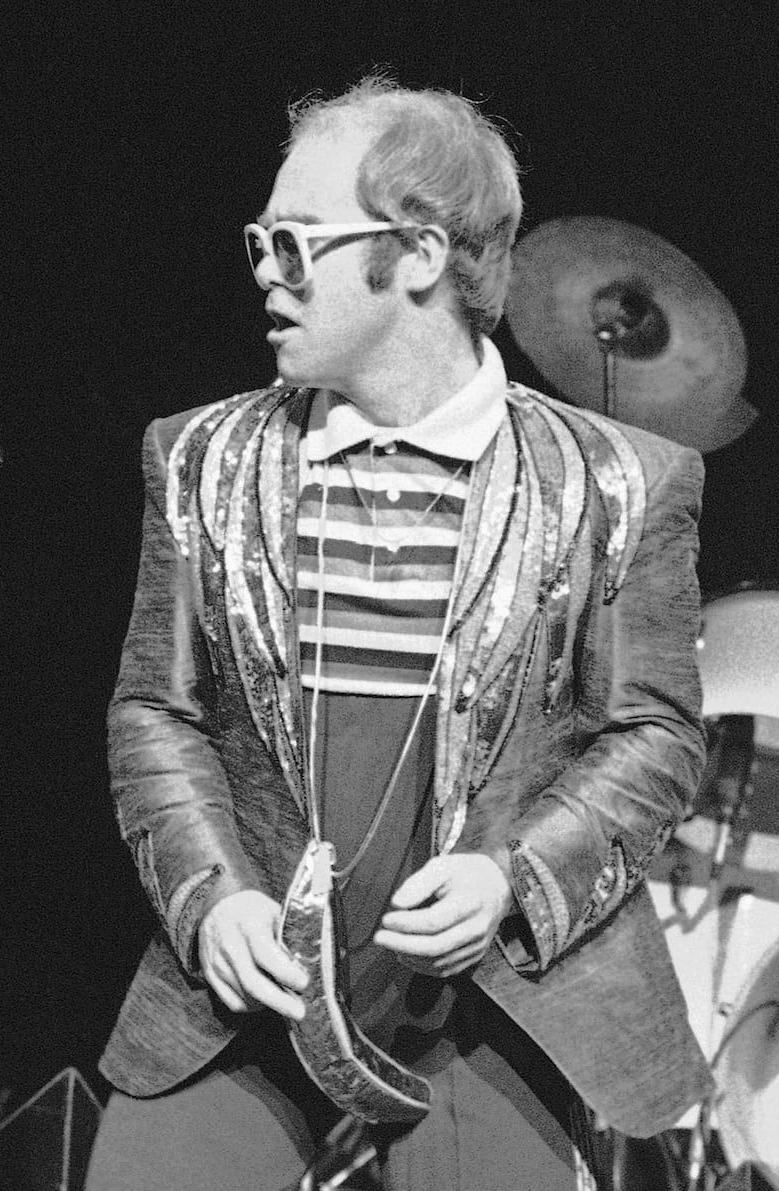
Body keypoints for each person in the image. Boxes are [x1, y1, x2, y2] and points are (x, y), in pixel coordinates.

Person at [91, 75, 711, 1191]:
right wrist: (210, 896)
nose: (267, 278)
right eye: (260, 243)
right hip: (254, 990)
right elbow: (156, 710)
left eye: (296, 245)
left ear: (419, 254)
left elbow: (654, 736)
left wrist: (514, 879)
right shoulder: (202, 459)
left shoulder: (621, 483)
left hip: (495, 1003)